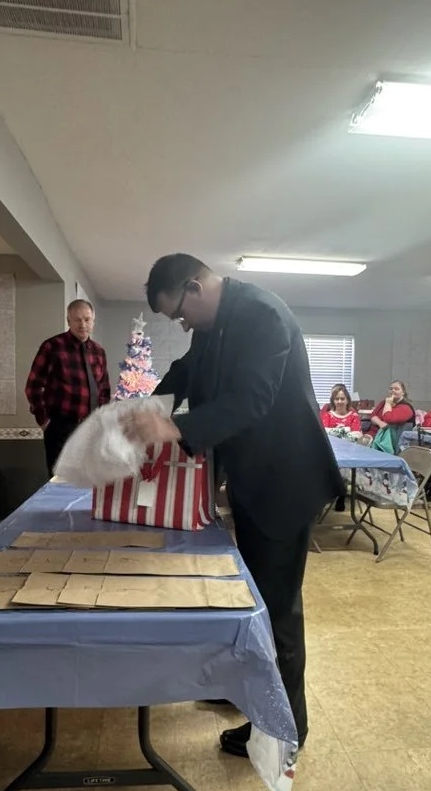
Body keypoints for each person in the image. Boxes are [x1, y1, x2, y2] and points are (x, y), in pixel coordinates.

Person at [123, 253, 345, 757]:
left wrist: (174, 427)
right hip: (254, 479)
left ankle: (283, 731)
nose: (181, 323)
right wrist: (144, 408)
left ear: (196, 287)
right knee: (256, 601)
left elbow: (253, 400)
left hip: (286, 481)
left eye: (179, 313)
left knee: (276, 610)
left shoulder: (262, 315)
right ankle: (246, 692)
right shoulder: (215, 325)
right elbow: (188, 370)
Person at [25, 299, 111, 475]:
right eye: (77, 320)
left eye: (87, 319)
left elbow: (104, 389)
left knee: (90, 481)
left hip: (91, 428)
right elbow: (33, 387)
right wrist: (44, 421)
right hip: (61, 428)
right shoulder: (52, 347)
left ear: (93, 320)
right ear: (68, 321)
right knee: (60, 484)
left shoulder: (99, 351)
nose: (83, 324)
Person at [367, 381, 415, 453]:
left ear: (403, 392)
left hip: (388, 441)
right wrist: (380, 423)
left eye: (396, 389)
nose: (393, 390)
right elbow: (373, 415)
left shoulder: (405, 407)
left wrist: (388, 403)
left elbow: (388, 418)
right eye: (391, 389)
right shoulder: (384, 402)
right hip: (373, 434)